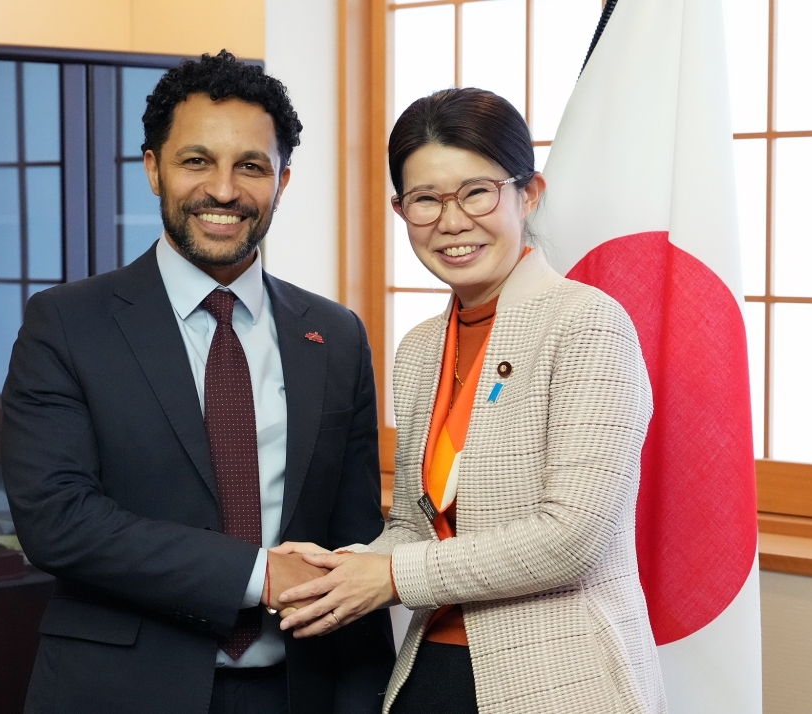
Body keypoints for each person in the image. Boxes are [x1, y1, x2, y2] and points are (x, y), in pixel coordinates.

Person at [1, 50, 394, 714]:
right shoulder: (66, 323)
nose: (224, 190)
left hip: (297, 692)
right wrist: (260, 574)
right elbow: (57, 520)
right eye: (196, 161)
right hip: (120, 692)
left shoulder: (335, 335)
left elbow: (354, 542)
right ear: (153, 168)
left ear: (282, 181)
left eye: (251, 167)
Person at [273, 87, 667, 714]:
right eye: (425, 199)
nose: (452, 222)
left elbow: (573, 538)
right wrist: (342, 568)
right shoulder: (421, 348)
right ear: (401, 210)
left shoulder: (587, 323)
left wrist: (391, 577)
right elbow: (414, 525)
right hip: (430, 669)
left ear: (528, 194)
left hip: (560, 677)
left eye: (476, 192)